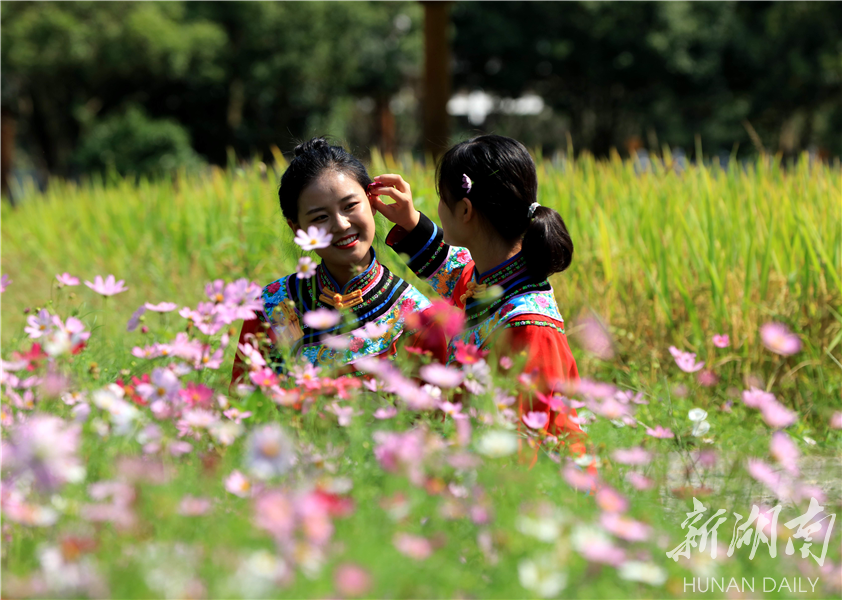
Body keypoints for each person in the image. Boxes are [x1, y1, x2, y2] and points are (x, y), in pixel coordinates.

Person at [370, 134, 588, 459]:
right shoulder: (490, 277)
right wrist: (410, 220)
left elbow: (526, 445)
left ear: (465, 210)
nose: (438, 209)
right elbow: (451, 269)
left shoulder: (528, 325)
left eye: (442, 200)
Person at [231, 138, 444, 387]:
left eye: (350, 205)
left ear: (372, 202)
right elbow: (243, 403)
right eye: (321, 217)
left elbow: (430, 418)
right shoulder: (271, 308)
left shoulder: (417, 317)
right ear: (297, 228)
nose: (341, 225)